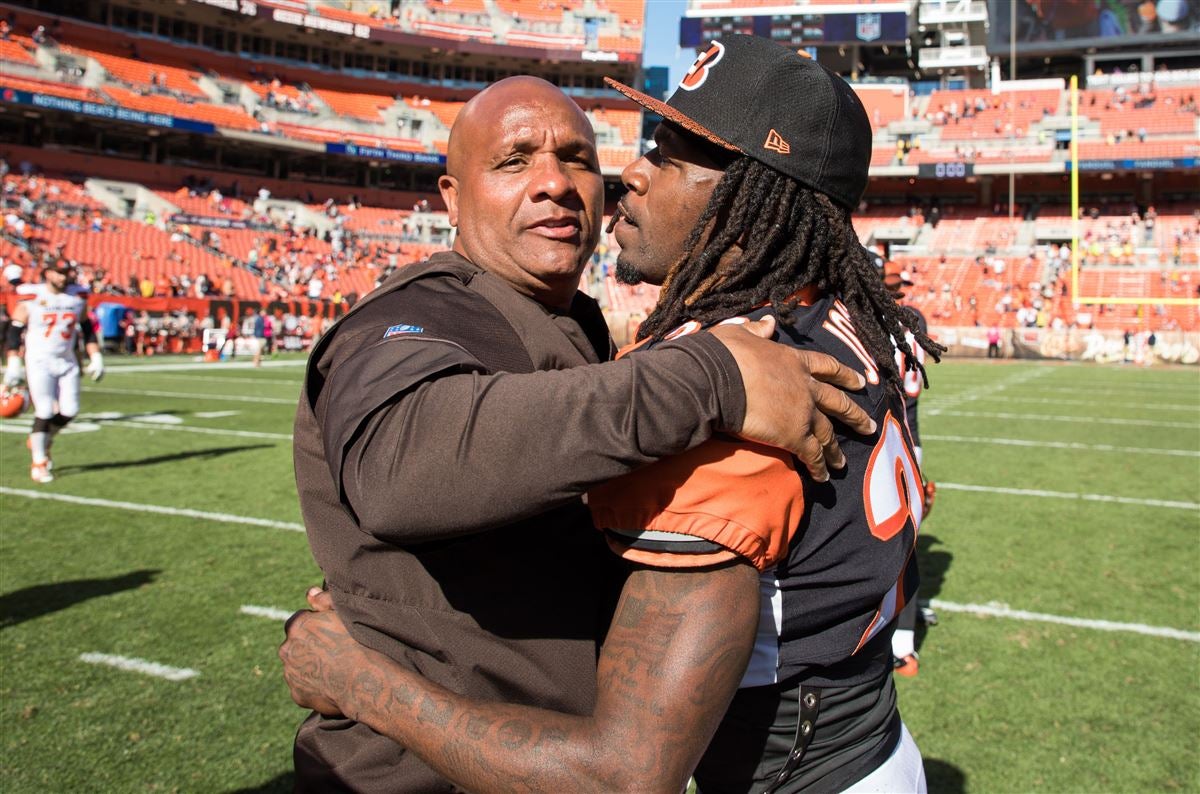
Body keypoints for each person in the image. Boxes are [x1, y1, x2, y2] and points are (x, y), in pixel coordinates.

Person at [281, 39, 943, 792]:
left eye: (580, 158)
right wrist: (710, 375)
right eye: (512, 161)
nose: (569, 182)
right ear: (451, 197)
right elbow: (406, 464)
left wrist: (359, 678)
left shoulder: (713, 359)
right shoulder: (410, 318)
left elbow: (625, 769)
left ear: (758, 198)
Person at [879, 257, 938, 677]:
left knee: (883, 545)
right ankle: (903, 639)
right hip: (910, 438)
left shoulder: (863, 316)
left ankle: (899, 643)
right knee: (905, 542)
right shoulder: (913, 317)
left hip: (884, 435)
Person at [3, 264, 104, 483]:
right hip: (39, 359)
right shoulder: (32, 295)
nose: (64, 278)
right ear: (48, 273)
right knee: (45, 410)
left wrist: (95, 356)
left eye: (66, 273)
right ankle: (39, 461)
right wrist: (13, 361)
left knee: (70, 410)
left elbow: (87, 328)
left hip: (66, 360)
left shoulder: (77, 296)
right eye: (59, 273)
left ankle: (42, 439)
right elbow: (15, 330)